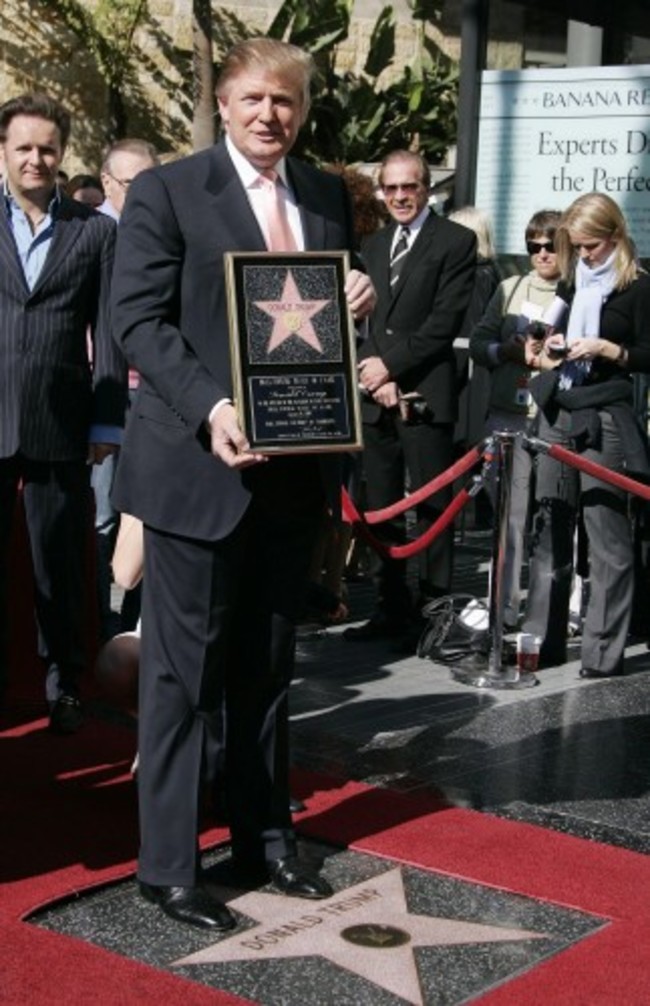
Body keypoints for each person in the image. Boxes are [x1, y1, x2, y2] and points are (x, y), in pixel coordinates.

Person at [110, 38, 376, 931]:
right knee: (184, 676)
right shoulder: (169, 190)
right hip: (197, 468)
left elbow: (310, 322)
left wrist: (355, 305)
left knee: (266, 669)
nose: (271, 115)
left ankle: (264, 840)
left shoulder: (328, 195)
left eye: (287, 101)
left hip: (294, 476)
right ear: (223, 103)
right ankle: (170, 867)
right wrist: (213, 408)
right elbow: (137, 322)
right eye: (255, 98)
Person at [0, 93, 126, 730]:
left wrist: (107, 421)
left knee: (60, 560)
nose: (35, 158)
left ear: (62, 153)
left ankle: (66, 684)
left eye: (46, 147)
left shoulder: (95, 231)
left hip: (61, 419)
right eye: (22, 146)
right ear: (3, 151)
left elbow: (108, 332)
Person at [345, 150, 477, 643]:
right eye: (392, 188)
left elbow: (443, 323)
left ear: (428, 190)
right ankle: (390, 606)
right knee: (379, 507)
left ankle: (436, 610)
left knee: (433, 506)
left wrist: (392, 369)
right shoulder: (373, 245)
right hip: (376, 395)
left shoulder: (456, 242)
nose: (401, 196)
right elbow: (367, 319)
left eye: (410, 187)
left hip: (425, 393)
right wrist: (377, 378)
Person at [520, 192, 650, 676]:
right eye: (576, 246)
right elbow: (546, 336)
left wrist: (610, 349)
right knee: (548, 531)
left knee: (606, 538)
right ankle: (540, 643)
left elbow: (645, 353)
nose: (583, 255)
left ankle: (601, 653)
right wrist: (551, 344)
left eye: (590, 246)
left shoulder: (638, 288)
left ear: (615, 236)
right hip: (560, 408)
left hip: (607, 418)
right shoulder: (574, 281)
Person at [469, 210, 562, 629]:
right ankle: (502, 611)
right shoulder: (509, 288)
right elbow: (478, 344)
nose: (541, 254)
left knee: (552, 522)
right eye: (533, 246)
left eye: (550, 246)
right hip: (507, 417)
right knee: (509, 521)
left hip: (555, 418)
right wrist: (505, 351)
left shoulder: (576, 292)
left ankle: (545, 618)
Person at [92, 139, 160, 642]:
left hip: (157, 396)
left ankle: (138, 626)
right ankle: (93, 622)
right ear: (108, 183)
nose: (145, 193)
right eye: (135, 183)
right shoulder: (89, 232)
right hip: (105, 393)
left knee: (151, 515)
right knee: (100, 517)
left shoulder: (165, 233)